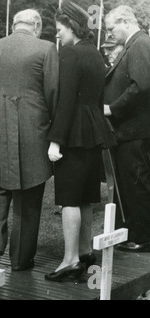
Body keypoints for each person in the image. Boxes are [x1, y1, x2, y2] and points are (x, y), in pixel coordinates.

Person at [0, 9, 59, 271]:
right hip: (33, 130)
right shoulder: (46, 48)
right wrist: (54, 133)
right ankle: (20, 258)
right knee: (29, 192)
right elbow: (53, 94)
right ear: (37, 25)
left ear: (14, 24)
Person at [45, 1, 116, 282]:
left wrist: (55, 141)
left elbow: (65, 102)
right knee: (86, 196)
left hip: (73, 134)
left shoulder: (70, 55)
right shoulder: (96, 54)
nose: (57, 35)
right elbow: (97, 99)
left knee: (69, 198)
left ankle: (70, 260)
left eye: (60, 29)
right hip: (93, 131)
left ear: (72, 26)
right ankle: (85, 251)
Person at [104, 5, 150, 252]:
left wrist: (113, 108)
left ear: (125, 21)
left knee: (137, 183)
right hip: (132, 130)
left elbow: (142, 85)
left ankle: (142, 237)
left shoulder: (140, 44)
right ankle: (135, 231)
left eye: (112, 29)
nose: (111, 35)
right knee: (133, 183)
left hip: (135, 130)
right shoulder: (135, 44)